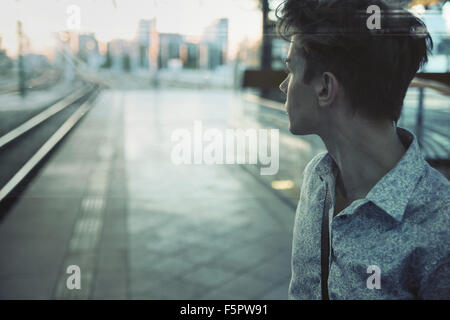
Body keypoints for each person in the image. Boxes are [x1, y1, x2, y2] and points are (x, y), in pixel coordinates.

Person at [277, 0, 450, 299]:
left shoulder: (440, 227)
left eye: (291, 69)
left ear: (324, 89)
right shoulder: (317, 179)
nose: (283, 85)